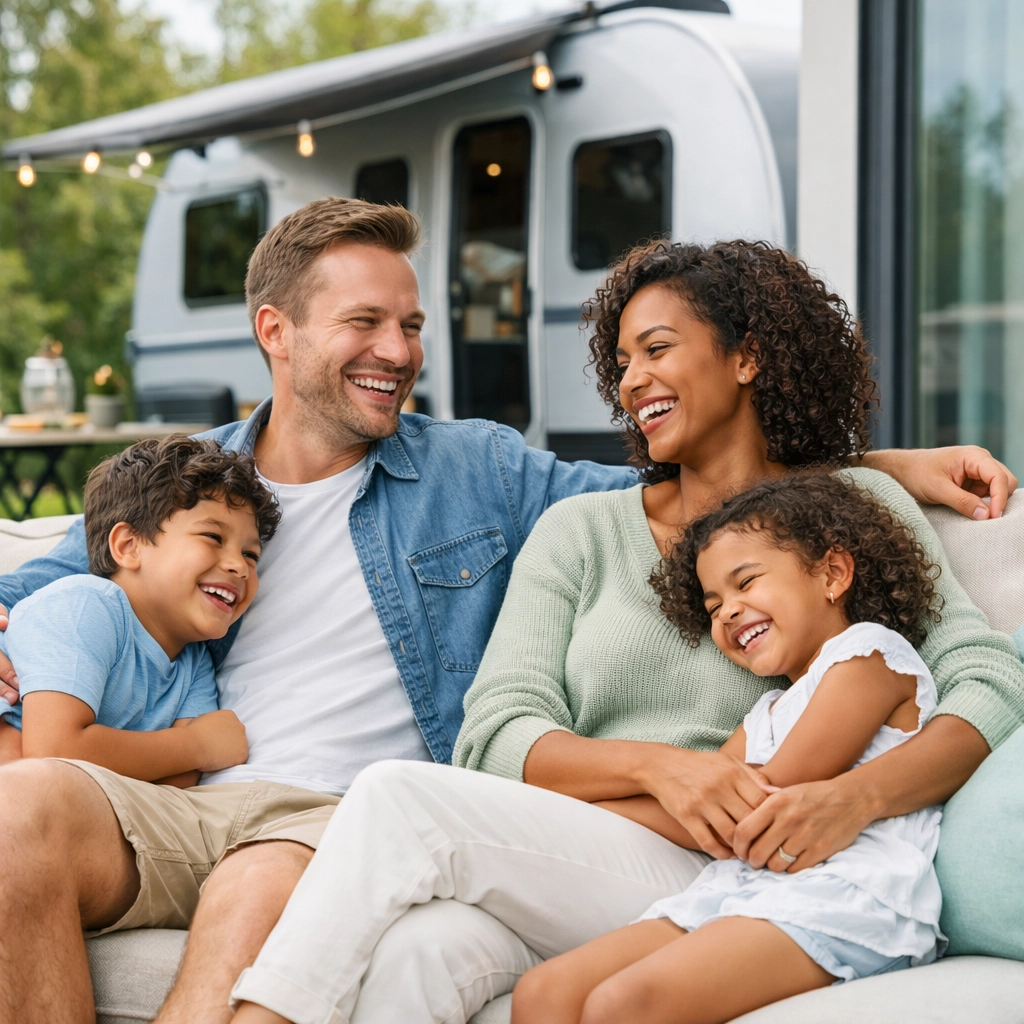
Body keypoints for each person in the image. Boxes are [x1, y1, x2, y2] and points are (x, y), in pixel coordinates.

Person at [0, 207, 1008, 1024]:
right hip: (535, 830)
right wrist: (659, 769)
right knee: (415, 954)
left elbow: (975, 667)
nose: (397, 351)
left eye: (411, 327)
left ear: (746, 357)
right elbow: (500, 727)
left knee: (399, 803)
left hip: (606, 840)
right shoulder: (200, 484)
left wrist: (881, 470)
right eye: (365, 323)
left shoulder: (481, 471)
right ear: (277, 331)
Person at [511, 473, 946, 1024]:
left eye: (746, 582)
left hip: (848, 896)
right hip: (743, 887)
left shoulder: (871, 657)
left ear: (833, 573)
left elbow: (757, 802)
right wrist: (598, 809)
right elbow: (702, 806)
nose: (728, 612)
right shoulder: (765, 713)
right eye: (713, 605)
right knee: (544, 993)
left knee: (622, 1004)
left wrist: (671, 800)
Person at [0, 436, 277, 784]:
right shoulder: (86, 607)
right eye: (212, 537)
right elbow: (53, 752)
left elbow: (182, 781)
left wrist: (184, 754)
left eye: (251, 555)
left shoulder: (194, 664)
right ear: (128, 546)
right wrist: (196, 745)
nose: (240, 566)